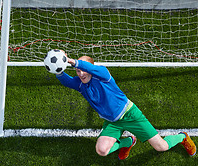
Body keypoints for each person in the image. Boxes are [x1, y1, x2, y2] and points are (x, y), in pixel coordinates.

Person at [55, 53, 196, 160]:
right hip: (112, 122)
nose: (81, 74)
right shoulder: (80, 84)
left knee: (162, 147)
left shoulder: (102, 74)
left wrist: (72, 61)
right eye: (78, 72)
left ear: (91, 68)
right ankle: (129, 141)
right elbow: (65, 80)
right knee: (102, 150)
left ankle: (182, 137)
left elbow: (87, 67)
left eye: (83, 70)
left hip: (130, 115)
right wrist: (58, 67)